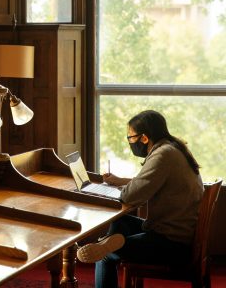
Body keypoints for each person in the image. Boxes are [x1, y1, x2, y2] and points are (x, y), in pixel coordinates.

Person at [76, 110, 204, 288]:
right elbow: (154, 183)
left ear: (144, 138)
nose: (130, 142)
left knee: (104, 254)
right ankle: (112, 242)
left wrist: (120, 189)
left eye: (130, 137)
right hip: (179, 232)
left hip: (173, 244)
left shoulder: (162, 155)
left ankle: (110, 246)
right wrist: (120, 181)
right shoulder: (173, 147)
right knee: (120, 223)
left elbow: (131, 196)